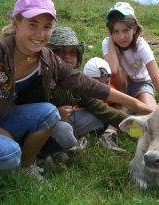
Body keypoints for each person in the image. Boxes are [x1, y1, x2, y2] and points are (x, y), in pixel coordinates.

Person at [0, 0, 152, 181]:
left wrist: (139, 111)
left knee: (52, 115)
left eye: (47, 26)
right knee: (10, 154)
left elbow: (91, 89)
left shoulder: (47, 60)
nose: (40, 34)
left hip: (7, 121)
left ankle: (26, 167)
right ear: (15, 23)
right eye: (32, 24)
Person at [44, 27, 127, 159]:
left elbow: (104, 110)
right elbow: (32, 112)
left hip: (67, 120)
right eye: (60, 52)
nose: (67, 57)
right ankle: (44, 155)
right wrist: (55, 114)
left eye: (72, 52)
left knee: (100, 116)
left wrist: (141, 128)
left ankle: (97, 137)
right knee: (63, 130)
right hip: (45, 124)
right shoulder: (42, 76)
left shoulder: (77, 81)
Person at [103, 2, 159, 111]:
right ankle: (125, 104)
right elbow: (113, 70)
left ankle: (141, 105)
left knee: (149, 112)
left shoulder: (141, 44)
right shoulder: (107, 43)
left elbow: (156, 78)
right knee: (117, 71)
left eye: (125, 30)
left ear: (134, 29)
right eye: (115, 31)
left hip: (141, 84)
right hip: (120, 86)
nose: (121, 37)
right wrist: (111, 38)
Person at [83, 57, 124, 151]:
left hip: (106, 118)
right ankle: (82, 139)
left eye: (107, 82)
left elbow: (122, 105)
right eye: (97, 84)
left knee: (122, 106)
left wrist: (137, 132)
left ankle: (109, 134)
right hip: (89, 121)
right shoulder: (81, 93)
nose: (103, 88)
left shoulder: (111, 90)